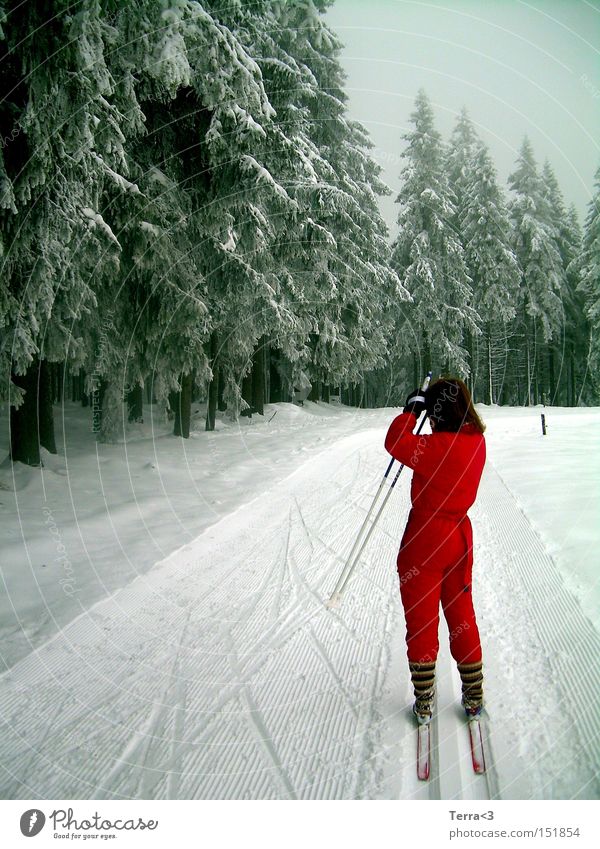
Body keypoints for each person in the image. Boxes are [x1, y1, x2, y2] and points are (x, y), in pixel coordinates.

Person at [384, 377, 487, 725]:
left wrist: (411, 413)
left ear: (437, 410)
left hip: (425, 542)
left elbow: (396, 442)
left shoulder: (434, 448)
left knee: (422, 621)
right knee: (462, 616)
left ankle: (424, 700)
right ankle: (473, 696)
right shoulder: (477, 442)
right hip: (459, 539)